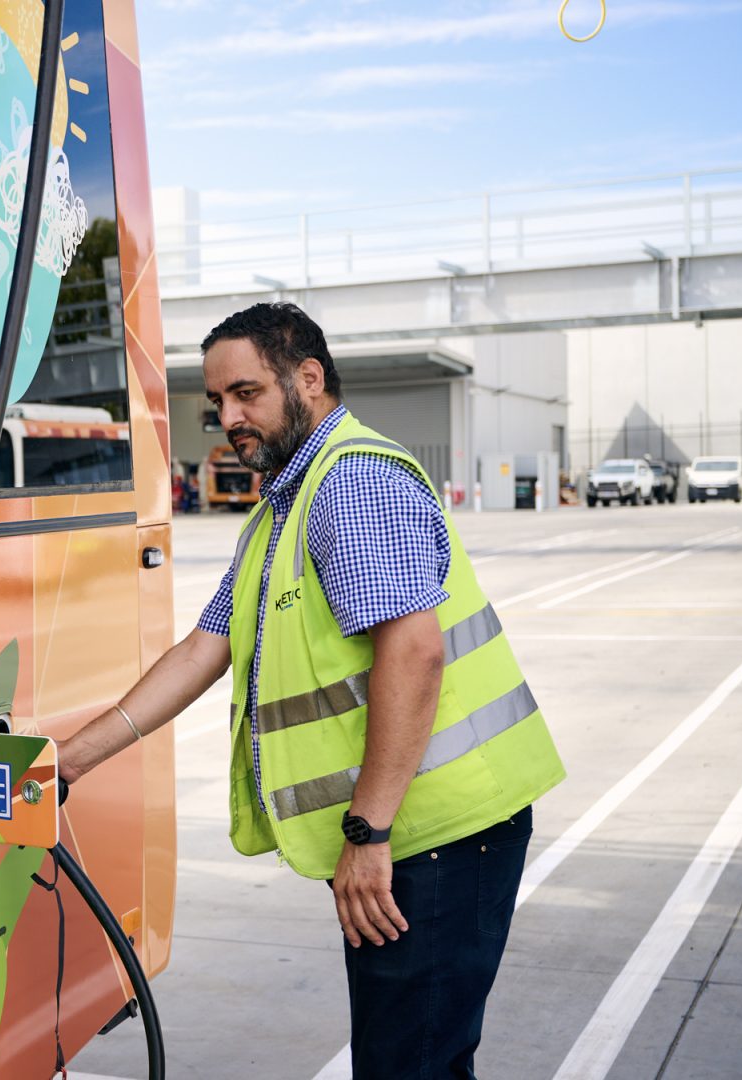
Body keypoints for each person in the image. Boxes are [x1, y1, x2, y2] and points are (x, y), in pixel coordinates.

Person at [57, 302, 564, 1079]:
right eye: (218, 402)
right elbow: (203, 649)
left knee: (412, 1064)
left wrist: (367, 833)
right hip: (408, 837)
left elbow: (415, 654)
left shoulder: (349, 482)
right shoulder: (282, 509)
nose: (228, 416)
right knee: (414, 1058)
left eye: (247, 393)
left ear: (309, 378)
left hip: (437, 838)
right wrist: (71, 760)